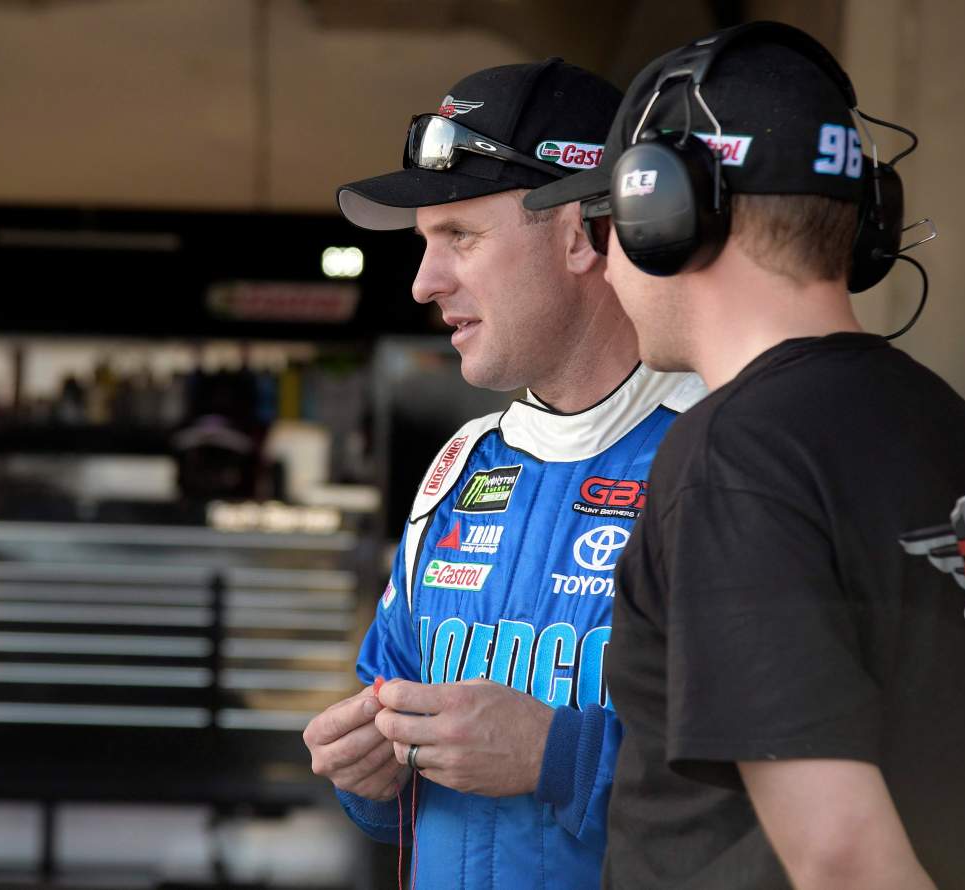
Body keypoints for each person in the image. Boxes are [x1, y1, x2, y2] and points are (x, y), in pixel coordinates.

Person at [525, 22, 965, 890]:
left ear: (665, 213)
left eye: (612, 220)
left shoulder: (733, 457)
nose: (607, 264)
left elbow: (842, 857)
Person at [301, 59, 705, 886]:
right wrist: (369, 775)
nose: (423, 282)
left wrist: (563, 757)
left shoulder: (725, 459)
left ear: (581, 233)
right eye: (424, 243)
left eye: (461, 237)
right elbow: (395, 731)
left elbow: (812, 785)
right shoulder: (458, 467)